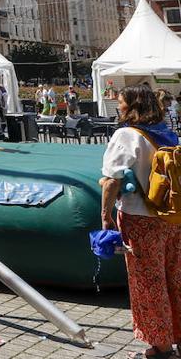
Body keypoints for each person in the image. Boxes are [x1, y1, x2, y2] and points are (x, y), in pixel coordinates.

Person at [99, 84, 181, 358]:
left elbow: (112, 180)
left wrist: (105, 215)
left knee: (148, 281)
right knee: (175, 277)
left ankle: (160, 346)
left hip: (140, 218)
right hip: (172, 216)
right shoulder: (167, 132)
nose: (117, 106)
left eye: (120, 102)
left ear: (132, 106)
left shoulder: (127, 135)